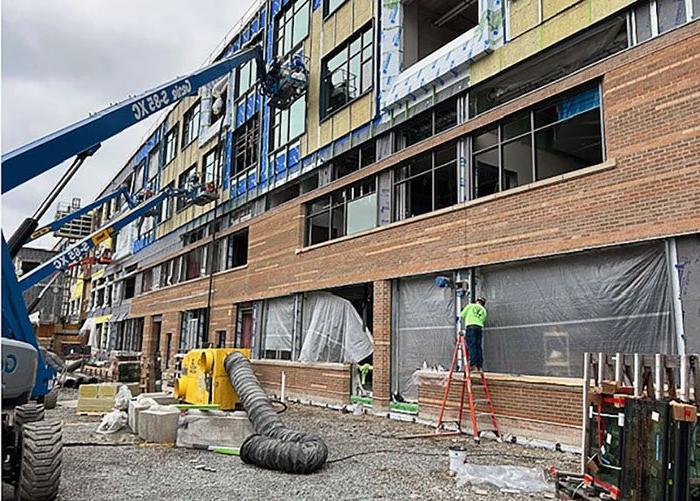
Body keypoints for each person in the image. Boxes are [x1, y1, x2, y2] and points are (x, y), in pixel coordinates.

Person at [459, 296, 488, 371]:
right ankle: (479, 365)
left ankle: (473, 364)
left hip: (471, 327)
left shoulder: (471, 306)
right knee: (478, 346)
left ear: (476, 301)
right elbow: (482, 320)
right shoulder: (484, 311)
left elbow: (461, 315)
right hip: (479, 328)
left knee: (472, 345)